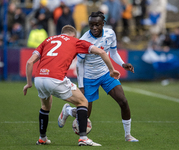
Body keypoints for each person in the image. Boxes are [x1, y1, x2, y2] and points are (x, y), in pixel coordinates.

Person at [23, 25, 120, 146]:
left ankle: (42, 138)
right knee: (83, 102)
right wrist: (111, 70)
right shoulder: (75, 41)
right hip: (55, 78)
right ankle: (83, 138)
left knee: (45, 106)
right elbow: (101, 51)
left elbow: (30, 62)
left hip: (39, 78)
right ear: (73, 35)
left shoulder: (48, 40)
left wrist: (28, 83)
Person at [58, 11, 139, 142]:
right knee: (85, 114)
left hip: (106, 74)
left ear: (103, 24)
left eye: (97, 25)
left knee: (123, 101)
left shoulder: (110, 33)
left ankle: (128, 135)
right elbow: (79, 64)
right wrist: (82, 86)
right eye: (91, 25)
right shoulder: (84, 39)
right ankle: (68, 111)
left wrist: (123, 64)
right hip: (89, 78)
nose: (94, 28)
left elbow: (113, 53)